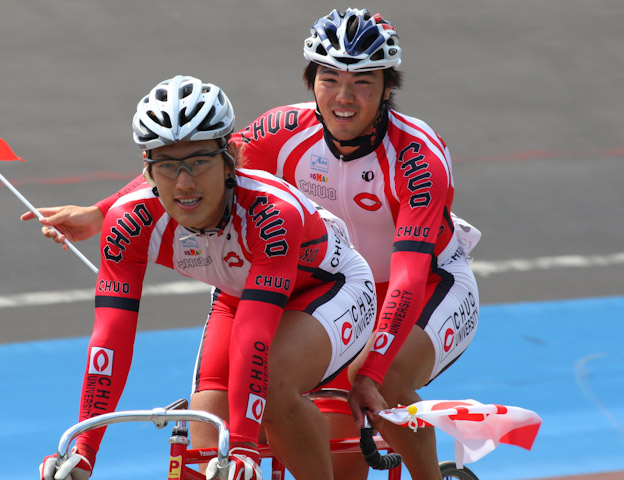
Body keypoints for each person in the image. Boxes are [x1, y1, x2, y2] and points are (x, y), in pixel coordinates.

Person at [27, 9, 480, 480]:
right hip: (286, 276)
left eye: (363, 81)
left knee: (376, 379)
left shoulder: (417, 156)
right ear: (311, 81)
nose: (344, 97)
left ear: (388, 87)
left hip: (424, 285)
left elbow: (407, 276)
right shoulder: (278, 130)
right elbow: (185, 156)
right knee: (209, 433)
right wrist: (102, 213)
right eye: (330, 79)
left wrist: (368, 372)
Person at [38, 74, 378, 480]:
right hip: (240, 293)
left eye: (199, 161)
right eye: (167, 165)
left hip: (330, 287)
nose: (184, 183)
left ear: (230, 156)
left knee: (269, 389)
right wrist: (84, 449)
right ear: (147, 172)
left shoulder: (271, 214)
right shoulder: (127, 224)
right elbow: (110, 338)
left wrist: (244, 447)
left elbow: (254, 337)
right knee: (207, 428)